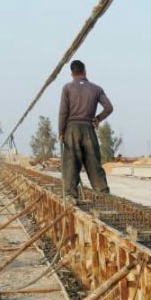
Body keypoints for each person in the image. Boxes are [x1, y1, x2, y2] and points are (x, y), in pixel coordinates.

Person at [58, 60, 113, 201]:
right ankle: (104, 194)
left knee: (71, 162)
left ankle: (70, 195)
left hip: (72, 129)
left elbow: (63, 112)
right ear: (85, 71)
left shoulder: (67, 88)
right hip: (89, 128)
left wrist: (61, 131)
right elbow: (109, 108)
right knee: (93, 162)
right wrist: (98, 119)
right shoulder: (96, 89)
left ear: (72, 74)